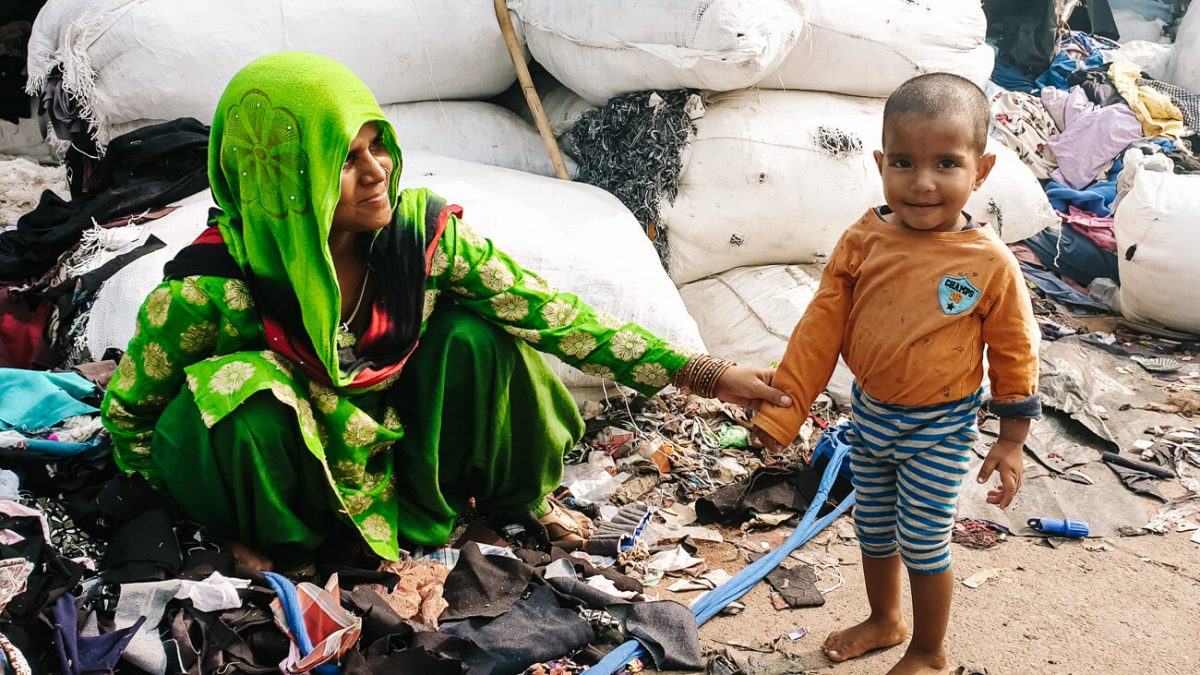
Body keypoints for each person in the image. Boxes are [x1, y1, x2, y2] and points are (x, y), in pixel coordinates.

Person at [100, 52, 790, 573]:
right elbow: (131, 417)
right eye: (344, 157)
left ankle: (509, 501)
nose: (376, 170)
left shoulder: (418, 238)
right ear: (281, 174)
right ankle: (285, 549)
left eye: (378, 144)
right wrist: (200, 511)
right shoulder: (211, 287)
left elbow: (554, 315)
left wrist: (705, 373)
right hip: (301, 482)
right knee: (232, 398)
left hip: (399, 453)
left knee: (477, 336)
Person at [752, 73, 1040, 675]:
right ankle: (886, 620)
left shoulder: (989, 262)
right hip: (871, 417)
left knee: (924, 543)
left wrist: (1012, 440)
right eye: (904, 162)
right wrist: (783, 408)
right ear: (880, 163)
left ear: (981, 170)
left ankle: (929, 653)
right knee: (875, 531)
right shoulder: (863, 239)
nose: (924, 182)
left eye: (946, 164)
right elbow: (821, 325)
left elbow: (1015, 350)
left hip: (941, 427)